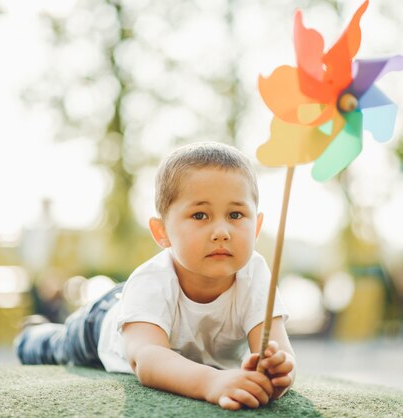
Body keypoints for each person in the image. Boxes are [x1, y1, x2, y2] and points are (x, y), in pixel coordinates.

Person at [15, 142, 295, 410]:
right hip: (105, 324)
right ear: (161, 232)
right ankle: (32, 335)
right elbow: (148, 360)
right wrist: (212, 381)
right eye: (200, 215)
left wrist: (277, 371)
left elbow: (279, 353)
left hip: (158, 330)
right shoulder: (152, 281)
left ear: (257, 226)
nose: (221, 231)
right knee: (60, 347)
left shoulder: (255, 275)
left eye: (235, 214)